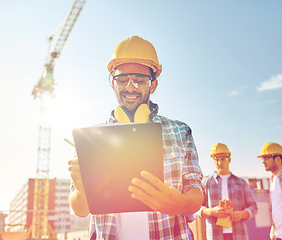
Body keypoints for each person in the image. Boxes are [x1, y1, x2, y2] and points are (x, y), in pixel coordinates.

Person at [68, 36, 204, 240]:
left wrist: (181, 204)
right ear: (113, 83)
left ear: (154, 85)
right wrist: (80, 188)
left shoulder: (180, 131)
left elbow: (195, 189)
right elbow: (80, 210)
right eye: (122, 80)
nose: (130, 88)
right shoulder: (91, 138)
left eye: (140, 80)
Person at [197, 143, 258, 240]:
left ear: (229, 159)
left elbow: (253, 207)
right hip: (215, 235)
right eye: (216, 159)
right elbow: (197, 208)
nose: (219, 163)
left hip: (239, 234)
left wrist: (242, 214)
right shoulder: (206, 183)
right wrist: (211, 211)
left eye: (222, 159)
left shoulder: (241, 183)